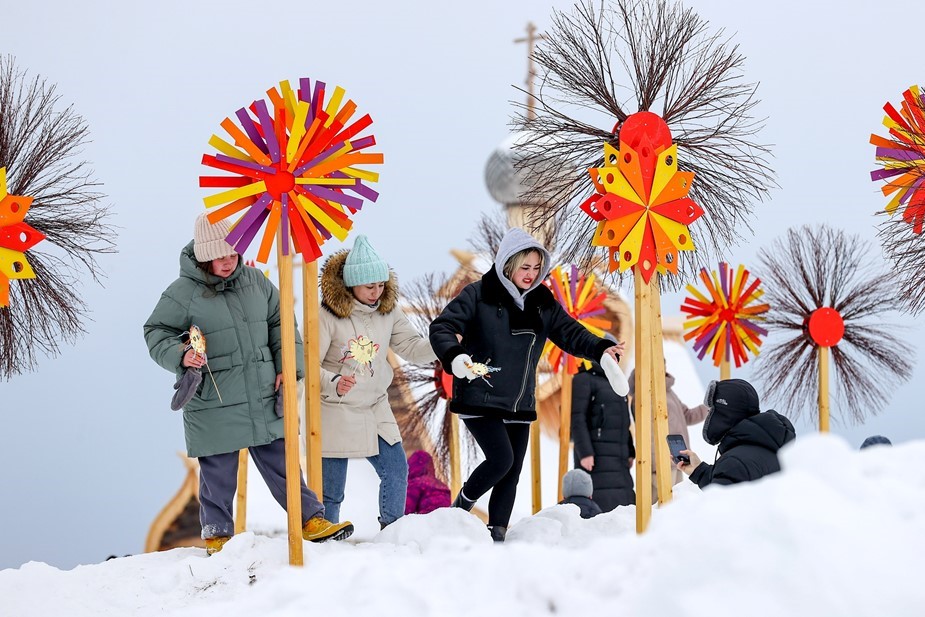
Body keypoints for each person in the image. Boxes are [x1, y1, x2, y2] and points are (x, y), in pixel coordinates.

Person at [144, 212, 352, 555]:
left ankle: (310, 519)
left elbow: (282, 323)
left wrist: (289, 366)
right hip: (215, 398)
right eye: (219, 257)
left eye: (232, 254)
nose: (227, 262)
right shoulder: (182, 293)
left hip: (263, 391)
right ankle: (217, 533)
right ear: (202, 256)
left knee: (282, 461)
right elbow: (155, 332)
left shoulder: (256, 282)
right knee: (218, 471)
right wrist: (181, 354)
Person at [429, 227, 629, 542]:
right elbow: (443, 326)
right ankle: (461, 507)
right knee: (501, 459)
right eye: (525, 267)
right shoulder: (478, 293)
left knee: (512, 472)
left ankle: (497, 531)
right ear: (508, 263)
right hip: (479, 395)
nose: (531, 274)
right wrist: (455, 358)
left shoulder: (540, 301)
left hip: (518, 402)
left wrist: (602, 348)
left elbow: (570, 332)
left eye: (537, 268)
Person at [318, 235, 438, 529]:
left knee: (397, 470)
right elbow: (307, 365)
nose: (376, 292)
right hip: (336, 408)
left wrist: (443, 345)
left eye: (381, 285)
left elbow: (411, 346)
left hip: (375, 406)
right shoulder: (326, 316)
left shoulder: (388, 311)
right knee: (332, 492)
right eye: (369, 286)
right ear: (351, 285)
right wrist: (333, 381)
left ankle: (392, 532)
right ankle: (324, 546)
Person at [678, 378, 795, 487]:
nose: (708, 416)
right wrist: (699, 471)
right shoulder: (774, 450)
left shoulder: (733, 464)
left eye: (711, 411)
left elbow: (720, 506)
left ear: (724, 415)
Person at [628, 365, 709, 502]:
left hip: (677, 456)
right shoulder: (643, 395)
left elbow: (687, 415)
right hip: (660, 458)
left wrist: (709, 406)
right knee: (660, 506)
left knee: (674, 505)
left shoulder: (669, 392)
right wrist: (654, 460)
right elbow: (646, 430)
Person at [571, 358, 636, 511]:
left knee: (624, 505)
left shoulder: (618, 384)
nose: (615, 359)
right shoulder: (584, 379)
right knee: (600, 505)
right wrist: (585, 452)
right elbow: (577, 418)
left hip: (619, 457)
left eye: (617, 356)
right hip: (595, 455)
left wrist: (630, 451)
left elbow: (624, 422)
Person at [404, 450, 451, 515]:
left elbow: (407, 507)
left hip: (429, 518)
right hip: (447, 517)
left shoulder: (416, 482)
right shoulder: (440, 484)